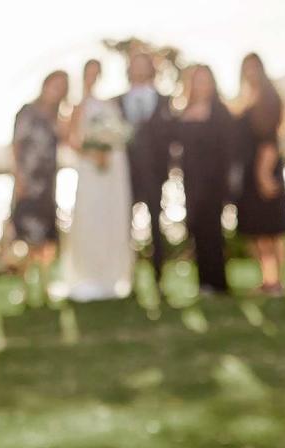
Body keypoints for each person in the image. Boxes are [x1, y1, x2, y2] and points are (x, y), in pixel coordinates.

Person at [63, 58, 135, 301]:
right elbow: (71, 140)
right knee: (90, 218)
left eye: (97, 72)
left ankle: (113, 275)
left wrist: (108, 149)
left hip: (112, 171)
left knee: (111, 218)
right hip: (90, 171)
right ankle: (88, 274)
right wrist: (93, 154)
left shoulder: (110, 104)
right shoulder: (78, 105)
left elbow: (119, 133)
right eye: (89, 73)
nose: (93, 77)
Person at [115, 52, 173, 290]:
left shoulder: (164, 100)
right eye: (134, 65)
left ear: (151, 69)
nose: (138, 69)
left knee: (156, 227)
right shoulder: (116, 102)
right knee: (123, 226)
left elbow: (170, 137)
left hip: (155, 173)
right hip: (123, 175)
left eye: (143, 65)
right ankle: (127, 278)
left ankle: (159, 278)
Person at [10, 70, 69, 304]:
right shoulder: (27, 112)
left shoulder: (57, 117)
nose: (57, 90)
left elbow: (68, 140)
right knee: (24, 237)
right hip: (28, 180)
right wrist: (18, 179)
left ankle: (45, 286)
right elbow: (15, 146)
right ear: (45, 85)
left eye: (63, 87)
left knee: (46, 239)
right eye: (55, 84)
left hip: (48, 184)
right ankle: (24, 288)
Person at [234, 52, 285, 296]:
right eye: (247, 68)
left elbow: (269, 141)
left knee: (272, 229)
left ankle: (276, 281)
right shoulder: (246, 99)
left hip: (263, 171)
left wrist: (264, 174)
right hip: (248, 174)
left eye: (254, 67)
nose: (250, 72)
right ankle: (267, 280)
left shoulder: (269, 98)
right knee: (256, 230)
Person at [176, 64, 234, 294]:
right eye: (197, 80)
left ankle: (218, 282)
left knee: (213, 230)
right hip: (191, 182)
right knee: (196, 228)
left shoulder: (220, 112)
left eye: (205, 79)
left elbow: (228, 149)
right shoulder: (183, 112)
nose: (201, 84)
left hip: (214, 181)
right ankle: (202, 282)